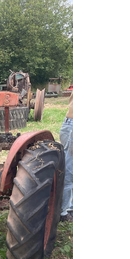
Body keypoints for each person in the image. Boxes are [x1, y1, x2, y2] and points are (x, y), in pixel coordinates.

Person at [59, 91, 73, 222]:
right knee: (70, 170)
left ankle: (69, 207)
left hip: (70, 122)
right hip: (73, 123)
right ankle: (64, 211)